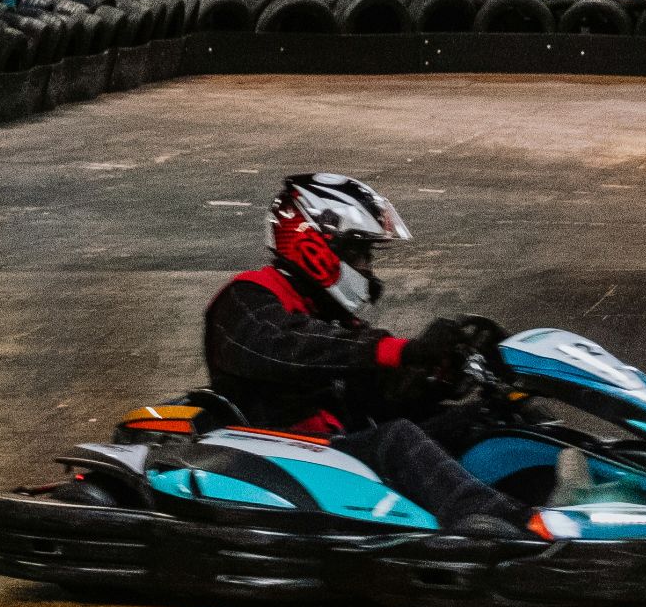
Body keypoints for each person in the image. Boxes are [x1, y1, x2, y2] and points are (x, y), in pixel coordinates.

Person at [204, 173, 580, 535]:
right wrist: (405, 350)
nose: (368, 269)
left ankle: (578, 487)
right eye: (359, 255)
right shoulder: (247, 298)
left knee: (484, 417)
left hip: (339, 449)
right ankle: (510, 525)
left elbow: (384, 393)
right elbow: (290, 349)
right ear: (315, 247)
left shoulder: (329, 316)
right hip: (283, 452)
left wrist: (443, 371)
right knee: (397, 439)